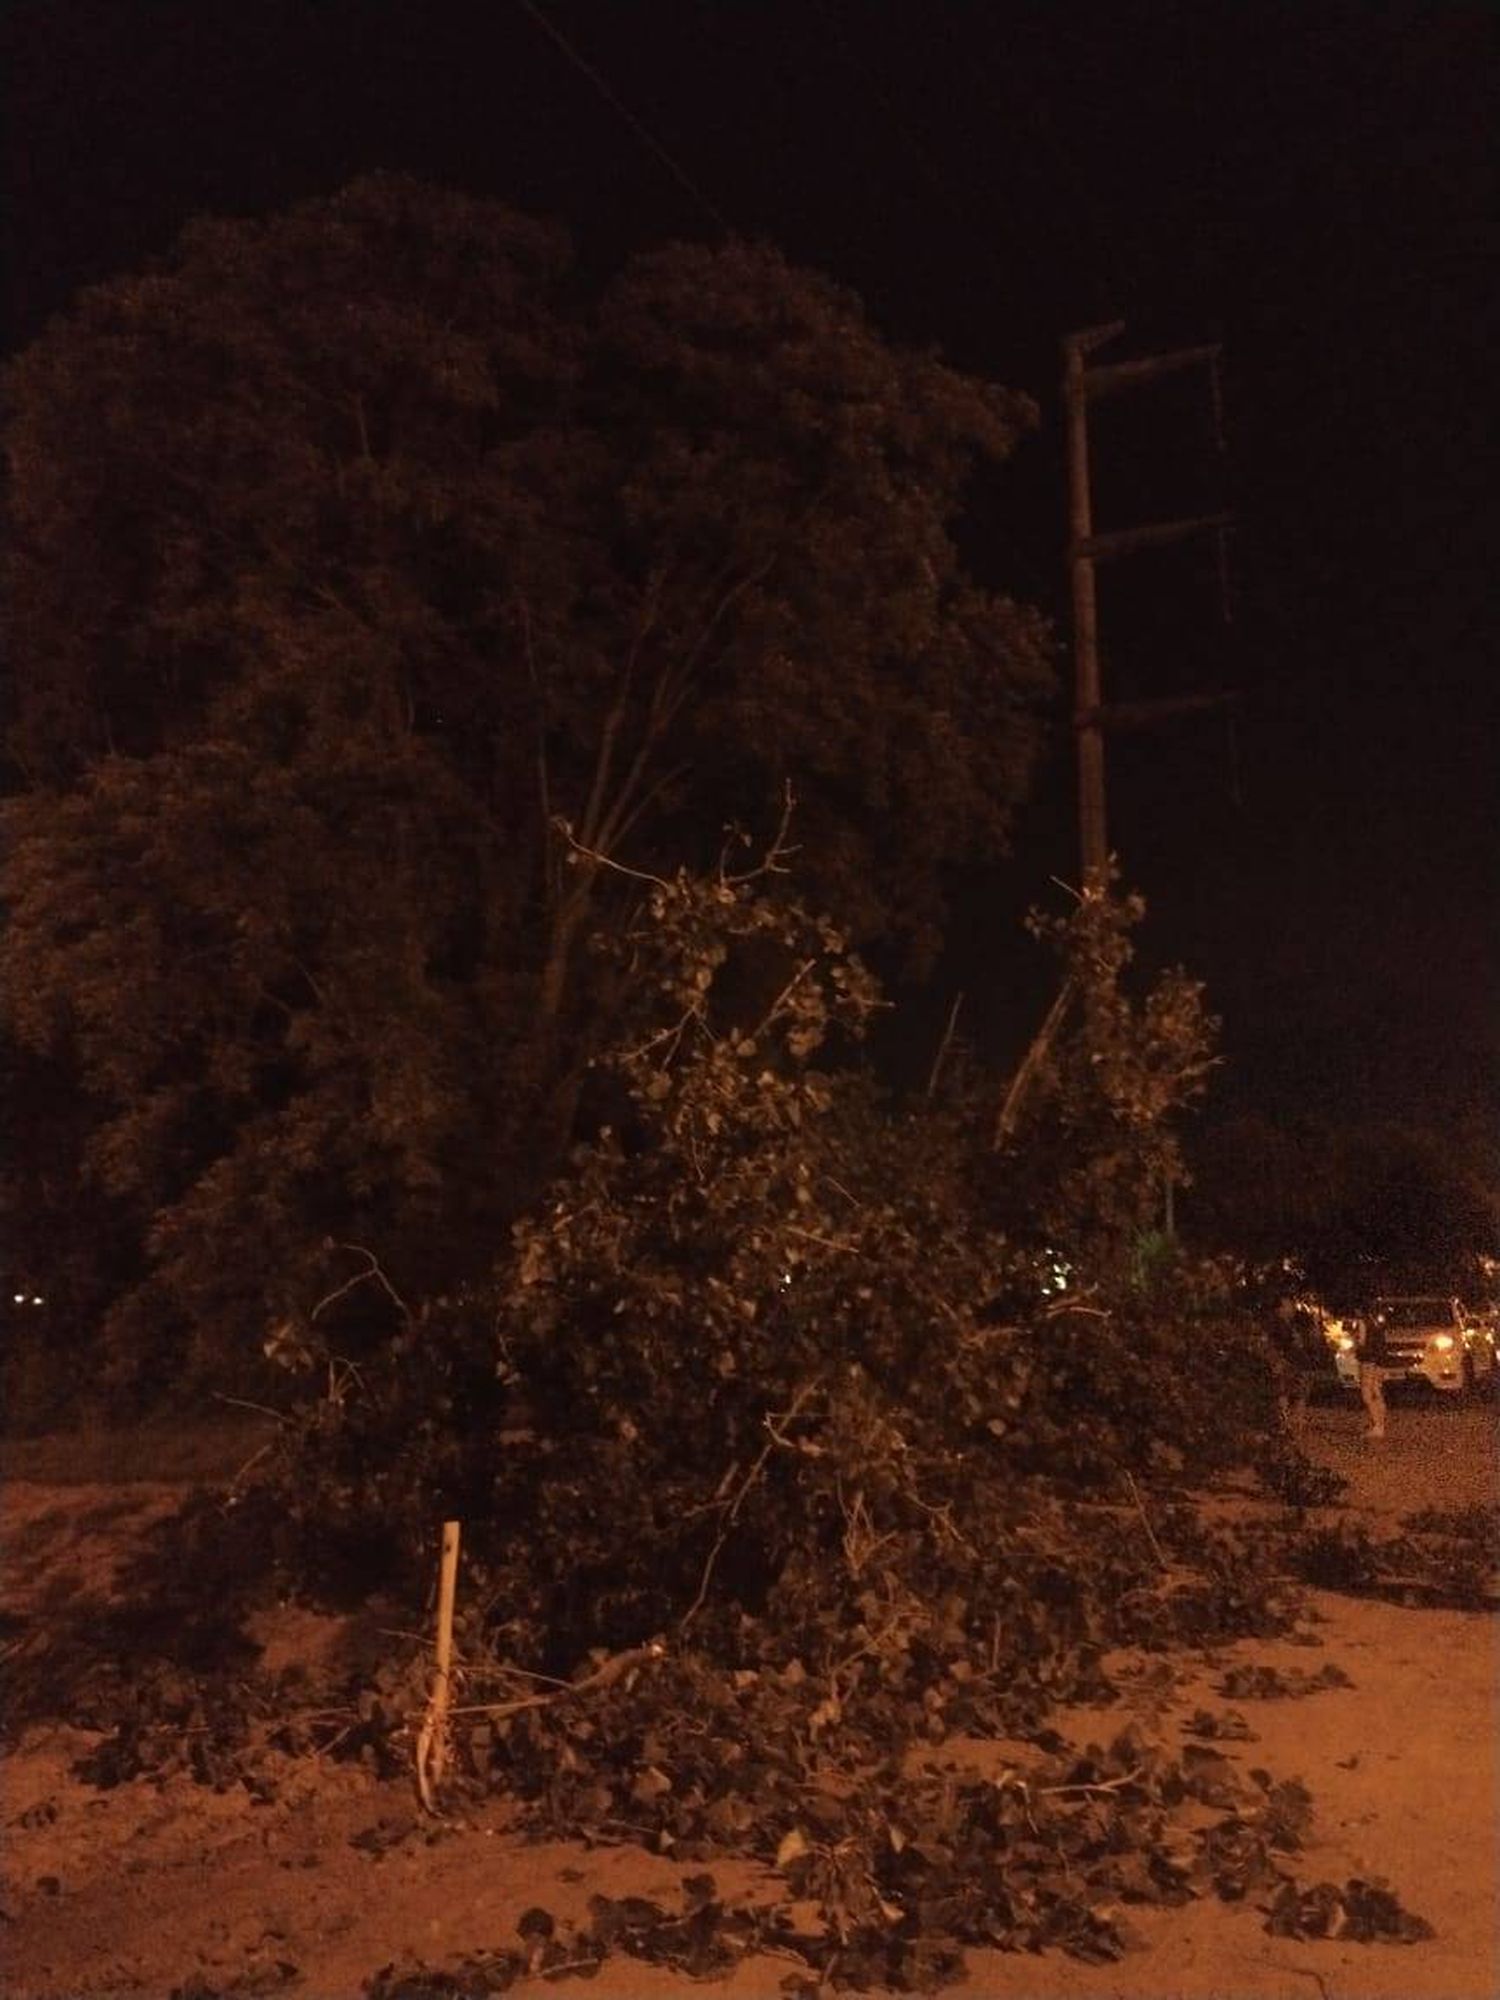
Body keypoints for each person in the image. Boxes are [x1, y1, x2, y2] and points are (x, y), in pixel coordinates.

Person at [1354, 1310, 1390, 1439]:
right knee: (1376, 1390)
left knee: (1366, 1393)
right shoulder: (1377, 1321)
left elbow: (1361, 1341)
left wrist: (1355, 1344)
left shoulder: (1362, 1322)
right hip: (1379, 1361)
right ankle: (1381, 1424)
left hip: (1367, 1360)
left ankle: (1377, 1426)